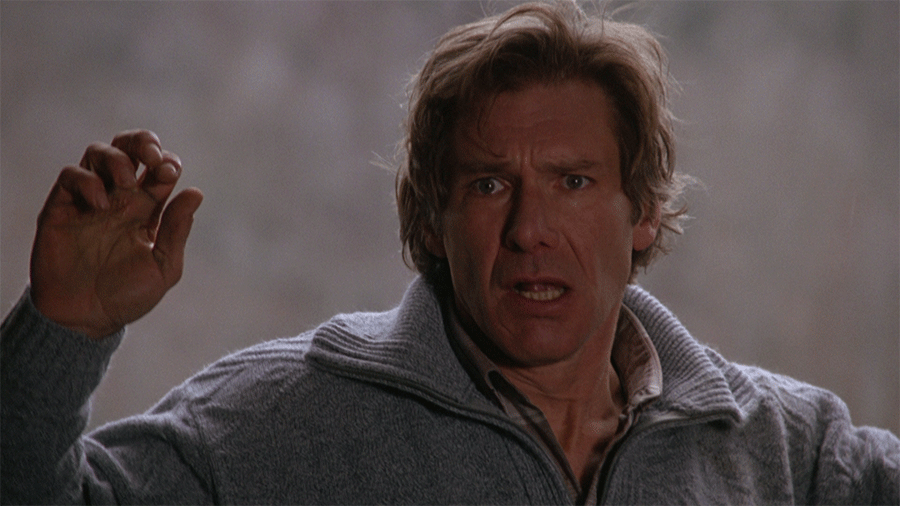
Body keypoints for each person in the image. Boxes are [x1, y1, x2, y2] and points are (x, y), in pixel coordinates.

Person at [2, 1, 898, 504]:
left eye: (573, 181)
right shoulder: (278, 419)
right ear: (431, 222)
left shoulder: (789, 449)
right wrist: (62, 331)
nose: (531, 228)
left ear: (644, 214)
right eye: (490, 184)